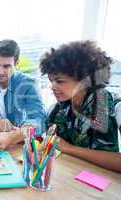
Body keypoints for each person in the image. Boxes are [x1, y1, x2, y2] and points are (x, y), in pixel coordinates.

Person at [40, 40, 121, 172]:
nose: (52, 87)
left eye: (59, 81)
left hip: (105, 185)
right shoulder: (56, 109)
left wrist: (69, 148)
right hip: (70, 177)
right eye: (51, 80)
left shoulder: (115, 107)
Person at [0, 39, 46, 151]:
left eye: (6, 67)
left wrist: (10, 138)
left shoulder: (29, 84)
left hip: (16, 144)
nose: (0, 71)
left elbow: (38, 121)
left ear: (16, 64)